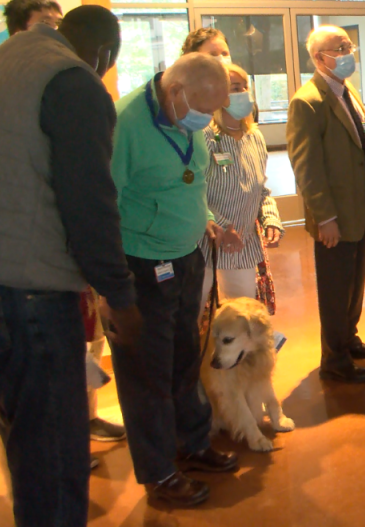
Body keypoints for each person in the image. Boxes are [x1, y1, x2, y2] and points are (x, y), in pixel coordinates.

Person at [0, 5, 142, 527]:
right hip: (33, 295)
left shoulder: (11, 56)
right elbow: (89, 201)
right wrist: (119, 296)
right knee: (55, 454)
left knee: (22, 440)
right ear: (104, 52)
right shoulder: (74, 82)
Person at [109, 53, 243, 507]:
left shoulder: (189, 120)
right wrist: (108, 287)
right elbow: (102, 203)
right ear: (175, 92)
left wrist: (206, 219)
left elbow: (191, 182)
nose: (208, 120)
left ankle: (193, 441)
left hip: (187, 257)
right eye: (204, 110)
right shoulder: (126, 124)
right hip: (143, 266)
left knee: (187, 357)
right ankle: (159, 473)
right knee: (147, 373)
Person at [288, 25, 365, 383]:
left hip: (361, 203)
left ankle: (349, 339)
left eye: (348, 45)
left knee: (355, 281)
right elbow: (306, 167)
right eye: (338, 48)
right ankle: (335, 360)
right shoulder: (307, 101)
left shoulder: (348, 91)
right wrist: (324, 216)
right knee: (335, 287)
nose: (347, 52)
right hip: (334, 214)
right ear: (318, 58)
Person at [199, 63, 283, 309]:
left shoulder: (254, 136)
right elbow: (194, 192)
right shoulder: (205, 136)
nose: (244, 93)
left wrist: (271, 219)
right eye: (235, 88)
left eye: (246, 87)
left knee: (242, 311)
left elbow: (261, 190)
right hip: (206, 242)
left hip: (242, 246)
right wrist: (222, 226)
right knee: (195, 312)